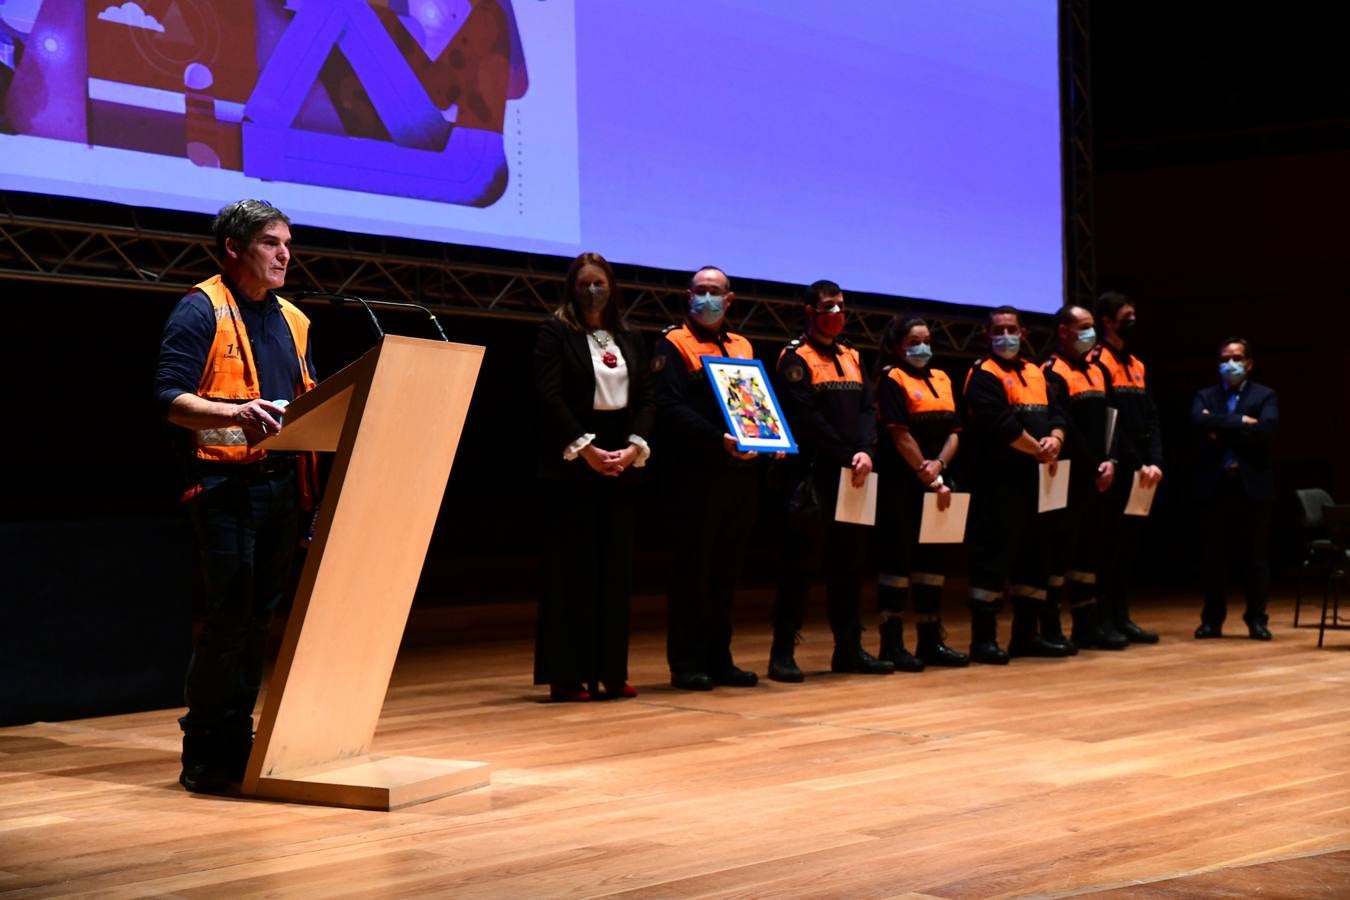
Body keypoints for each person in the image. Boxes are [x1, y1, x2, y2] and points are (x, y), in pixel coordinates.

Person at [154, 199, 318, 793]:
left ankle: (237, 740)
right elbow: (170, 399)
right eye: (271, 243)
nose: (284, 255)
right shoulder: (200, 310)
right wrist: (234, 412)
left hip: (281, 486)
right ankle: (204, 750)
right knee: (228, 619)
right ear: (233, 248)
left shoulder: (295, 319)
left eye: (288, 244)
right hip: (222, 485)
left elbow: (308, 399)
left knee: (256, 621)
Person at [533, 252, 654, 701]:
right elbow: (548, 396)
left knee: (615, 572)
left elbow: (646, 398)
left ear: (612, 287)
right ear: (572, 286)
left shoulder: (628, 335)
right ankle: (567, 675)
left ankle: (610, 671)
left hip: (621, 460)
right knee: (572, 573)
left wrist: (634, 446)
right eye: (584, 283)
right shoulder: (556, 332)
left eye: (599, 283)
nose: (592, 291)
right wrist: (584, 449)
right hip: (573, 463)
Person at [769, 280, 894, 681]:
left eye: (841, 306)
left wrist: (868, 452)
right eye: (828, 306)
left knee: (850, 567)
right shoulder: (793, 357)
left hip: (855, 475)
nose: (836, 313)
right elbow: (807, 420)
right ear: (810, 312)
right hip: (811, 477)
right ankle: (782, 653)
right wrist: (847, 454)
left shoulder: (853, 354)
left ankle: (850, 650)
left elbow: (866, 411)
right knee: (798, 568)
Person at [651, 266, 762, 691]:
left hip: (738, 477)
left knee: (726, 575)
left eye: (715, 292)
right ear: (688, 296)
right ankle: (686, 662)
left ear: (729, 299)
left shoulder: (742, 344)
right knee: (691, 574)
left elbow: (755, 406)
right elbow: (669, 406)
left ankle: (720, 658)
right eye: (701, 291)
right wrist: (719, 439)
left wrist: (759, 439)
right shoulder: (673, 343)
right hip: (693, 479)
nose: (708, 298)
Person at [963, 306, 1073, 663]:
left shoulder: (1036, 372)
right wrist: (1038, 449)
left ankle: (1026, 636)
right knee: (993, 560)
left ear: (1023, 333)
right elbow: (1001, 424)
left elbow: (1058, 412)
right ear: (987, 335)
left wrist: (1055, 438)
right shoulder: (982, 374)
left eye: (1013, 329)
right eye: (1000, 329)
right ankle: (984, 641)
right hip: (998, 483)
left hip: (1037, 482)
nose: (1007, 335)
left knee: (1035, 558)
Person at [872, 315, 970, 670]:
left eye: (926, 340)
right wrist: (924, 472)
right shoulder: (890, 378)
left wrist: (939, 468)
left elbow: (956, 432)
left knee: (933, 565)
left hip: (939, 482)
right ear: (898, 345)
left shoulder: (943, 378)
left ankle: (930, 642)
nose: (921, 347)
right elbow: (899, 434)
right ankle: (892, 645)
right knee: (897, 563)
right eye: (914, 341)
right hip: (902, 484)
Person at [1042, 305, 1128, 651]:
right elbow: (1065, 425)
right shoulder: (1050, 370)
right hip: (1069, 475)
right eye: (1084, 327)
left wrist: (1112, 460)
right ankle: (1050, 627)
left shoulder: (1096, 370)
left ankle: (1087, 626)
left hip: (1100, 474)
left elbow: (1110, 420)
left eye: (1092, 326)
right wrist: (1093, 466)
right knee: (1059, 553)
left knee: (1090, 553)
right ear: (1063, 331)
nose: (1091, 333)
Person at [1192, 338, 1279, 640]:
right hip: (1215, 486)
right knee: (1213, 556)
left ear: (1249, 363)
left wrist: (1219, 428)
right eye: (1225, 358)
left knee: (1255, 558)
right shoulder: (1206, 395)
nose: (1230, 363)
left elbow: (1266, 430)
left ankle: (1257, 619)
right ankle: (1212, 620)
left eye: (1237, 357)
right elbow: (1196, 423)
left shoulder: (1265, 395)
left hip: (1251, 486)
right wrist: (1241, 421)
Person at [1088, 292, 1163, 644]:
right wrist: (1137, 461)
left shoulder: (1136, 363)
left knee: (1130, 545)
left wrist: (1156, 462)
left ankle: (1123, 615)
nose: (1133, 320)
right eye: (1127, 315)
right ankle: (1103, 620)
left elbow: (1150, 417)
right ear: (1108, 320)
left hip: (1144, 470)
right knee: (1107, 545)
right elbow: (1110, 422)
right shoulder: (1096, 361)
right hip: (1119, 467)